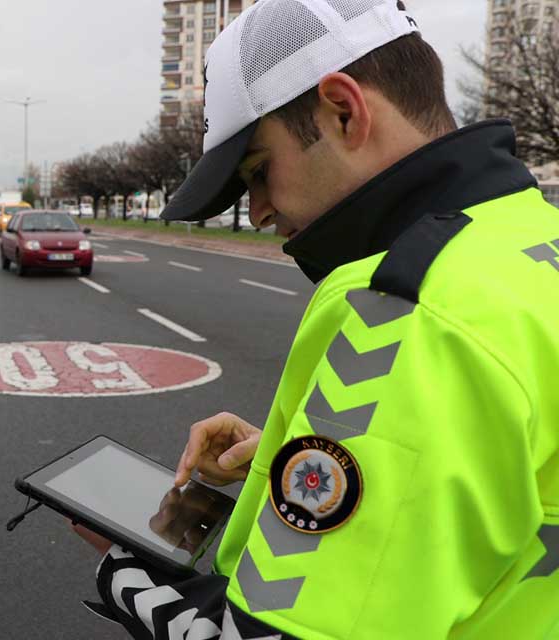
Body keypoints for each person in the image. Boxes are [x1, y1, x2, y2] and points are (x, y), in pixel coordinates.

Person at [72, 1, 559, 638]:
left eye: (257, 171)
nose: (259, 212)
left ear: (342, 110)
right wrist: (302, 455)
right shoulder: (532, 237)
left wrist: (122, 571)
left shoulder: (410, 309)